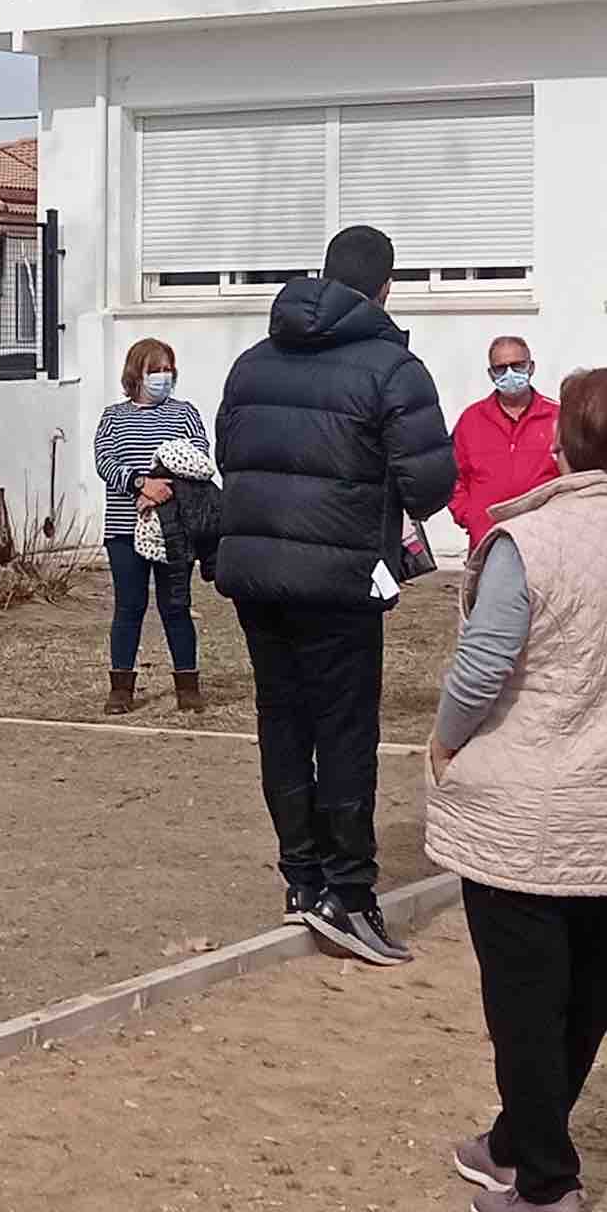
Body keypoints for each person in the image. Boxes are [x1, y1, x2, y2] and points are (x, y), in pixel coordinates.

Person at [427, 369, 607, 1212]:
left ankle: (547, 1184)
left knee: (525, 1001)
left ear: (558, 446)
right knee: (585, 995)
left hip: (531, 806)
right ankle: (515, 1141)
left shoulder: (529, 541)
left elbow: (481, 667)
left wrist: (442, 740)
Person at [211, 224, 453, 969]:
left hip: (255, 572)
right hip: (340, 578)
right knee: (344, 732)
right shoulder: (392, 366)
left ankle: (300, 875)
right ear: (385, 288)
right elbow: (428, 483)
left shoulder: (252, 363)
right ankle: (346, 894)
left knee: (281, 721)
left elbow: (230, 455)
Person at [96, 338, 211, 713]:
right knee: (129, 606)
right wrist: (140, 484)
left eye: (168, 369)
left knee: (176, 605)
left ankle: (188, 685)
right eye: (155, 369)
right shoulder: (113, 417)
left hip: (173, 529)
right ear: (136, 373)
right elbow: (105, 462)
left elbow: (199, 461)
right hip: (124, 530)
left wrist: (163, 490)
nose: (163, 376)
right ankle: (120, 689)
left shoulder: (185, 413)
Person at [445, 331, 560, 551]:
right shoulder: (471, 419)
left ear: (531, 367)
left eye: (518, 365)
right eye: (501, 368)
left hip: (544, 541)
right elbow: (452, 475)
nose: (510, 373)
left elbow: (572, 475)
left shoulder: (558, 417)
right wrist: (468, 516)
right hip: (486, 540)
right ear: (490, 374)